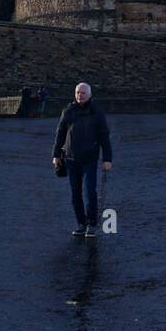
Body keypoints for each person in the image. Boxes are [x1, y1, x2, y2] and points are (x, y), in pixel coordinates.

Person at [53, 82, 113, 238]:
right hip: (71, 159)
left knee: (89, 193)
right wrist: (55, 155)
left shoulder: (96, 112)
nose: (80, 96)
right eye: (78, 93)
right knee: (75, 194)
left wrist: (107, 159)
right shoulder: (68, 110)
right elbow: (60, 133)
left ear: (90, 95)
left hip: (90, 159)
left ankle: (92, 224)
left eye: (83, 93)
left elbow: (104, 137)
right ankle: (81, 223)